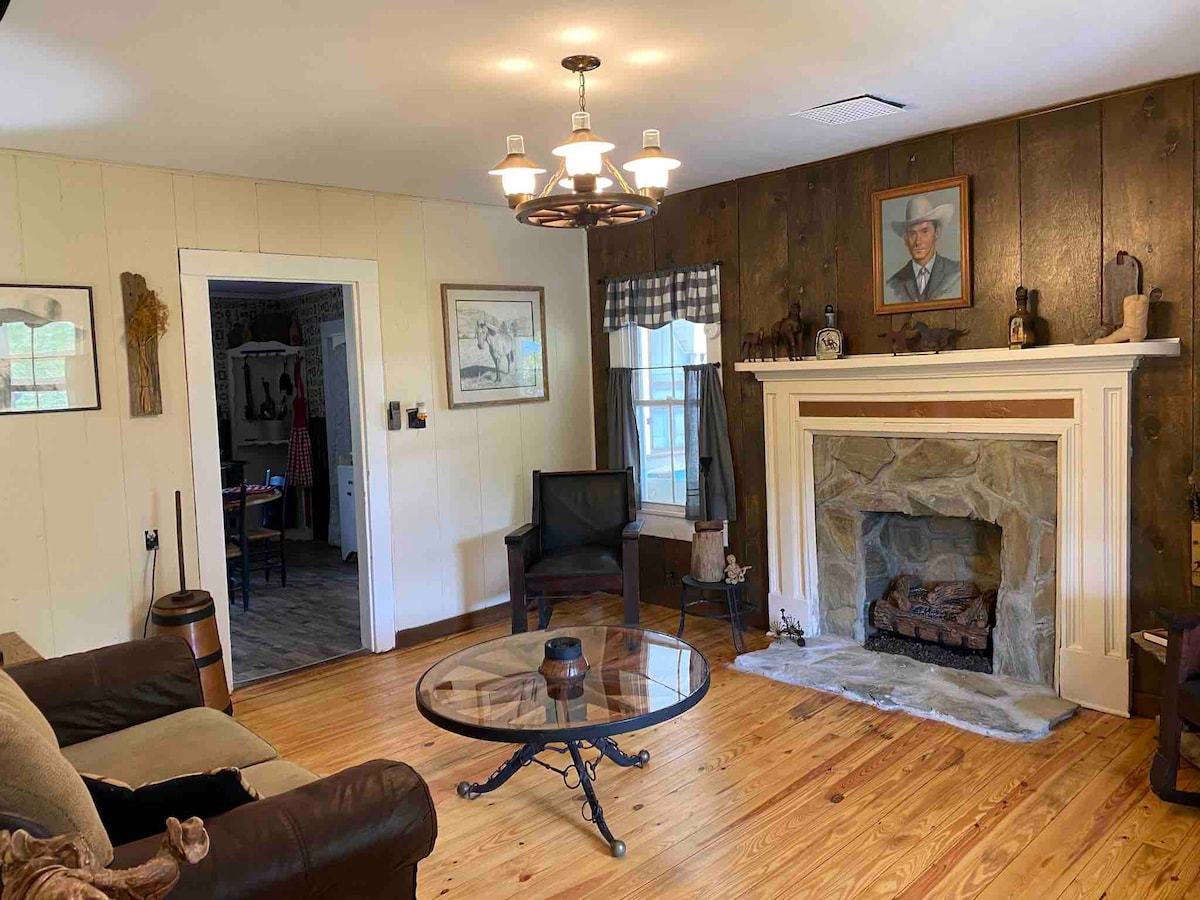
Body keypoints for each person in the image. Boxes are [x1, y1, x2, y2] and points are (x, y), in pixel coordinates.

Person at [886, 194, 962, 303]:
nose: (918, 241)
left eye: (924, 231)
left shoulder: (957, 273)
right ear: (905, 239)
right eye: (912, 234)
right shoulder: (894, 284)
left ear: (936, 233)